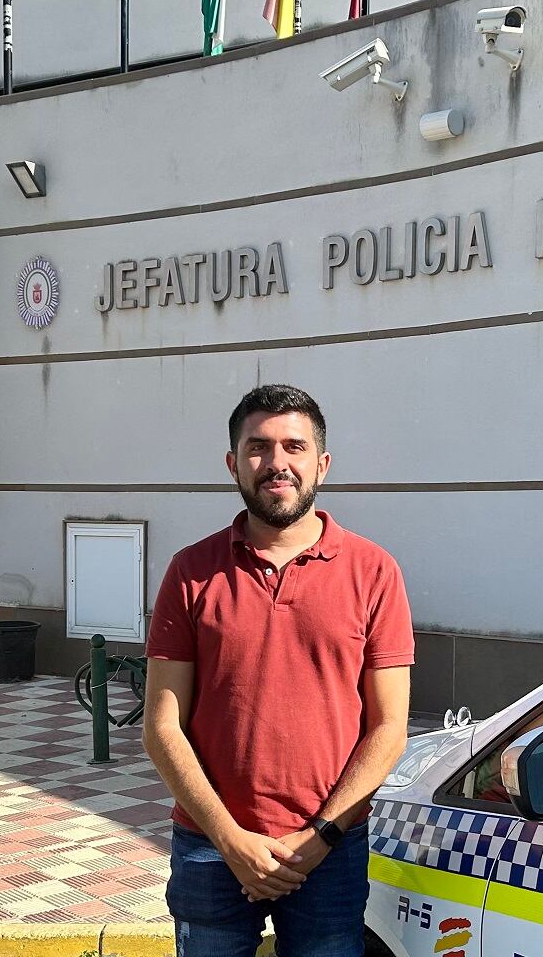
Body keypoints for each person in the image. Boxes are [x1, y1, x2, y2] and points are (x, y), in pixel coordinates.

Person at [142, 384, 415, 957]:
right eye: (258, 447)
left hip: (330, 849)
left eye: (294, 446)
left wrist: (319, 837)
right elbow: (163, 725)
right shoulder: (191, 572)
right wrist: (229, 838)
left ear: (322, 462)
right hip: (210, 847)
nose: (276, 463)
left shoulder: (374, 571)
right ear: (233, 463)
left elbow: (389, 728)